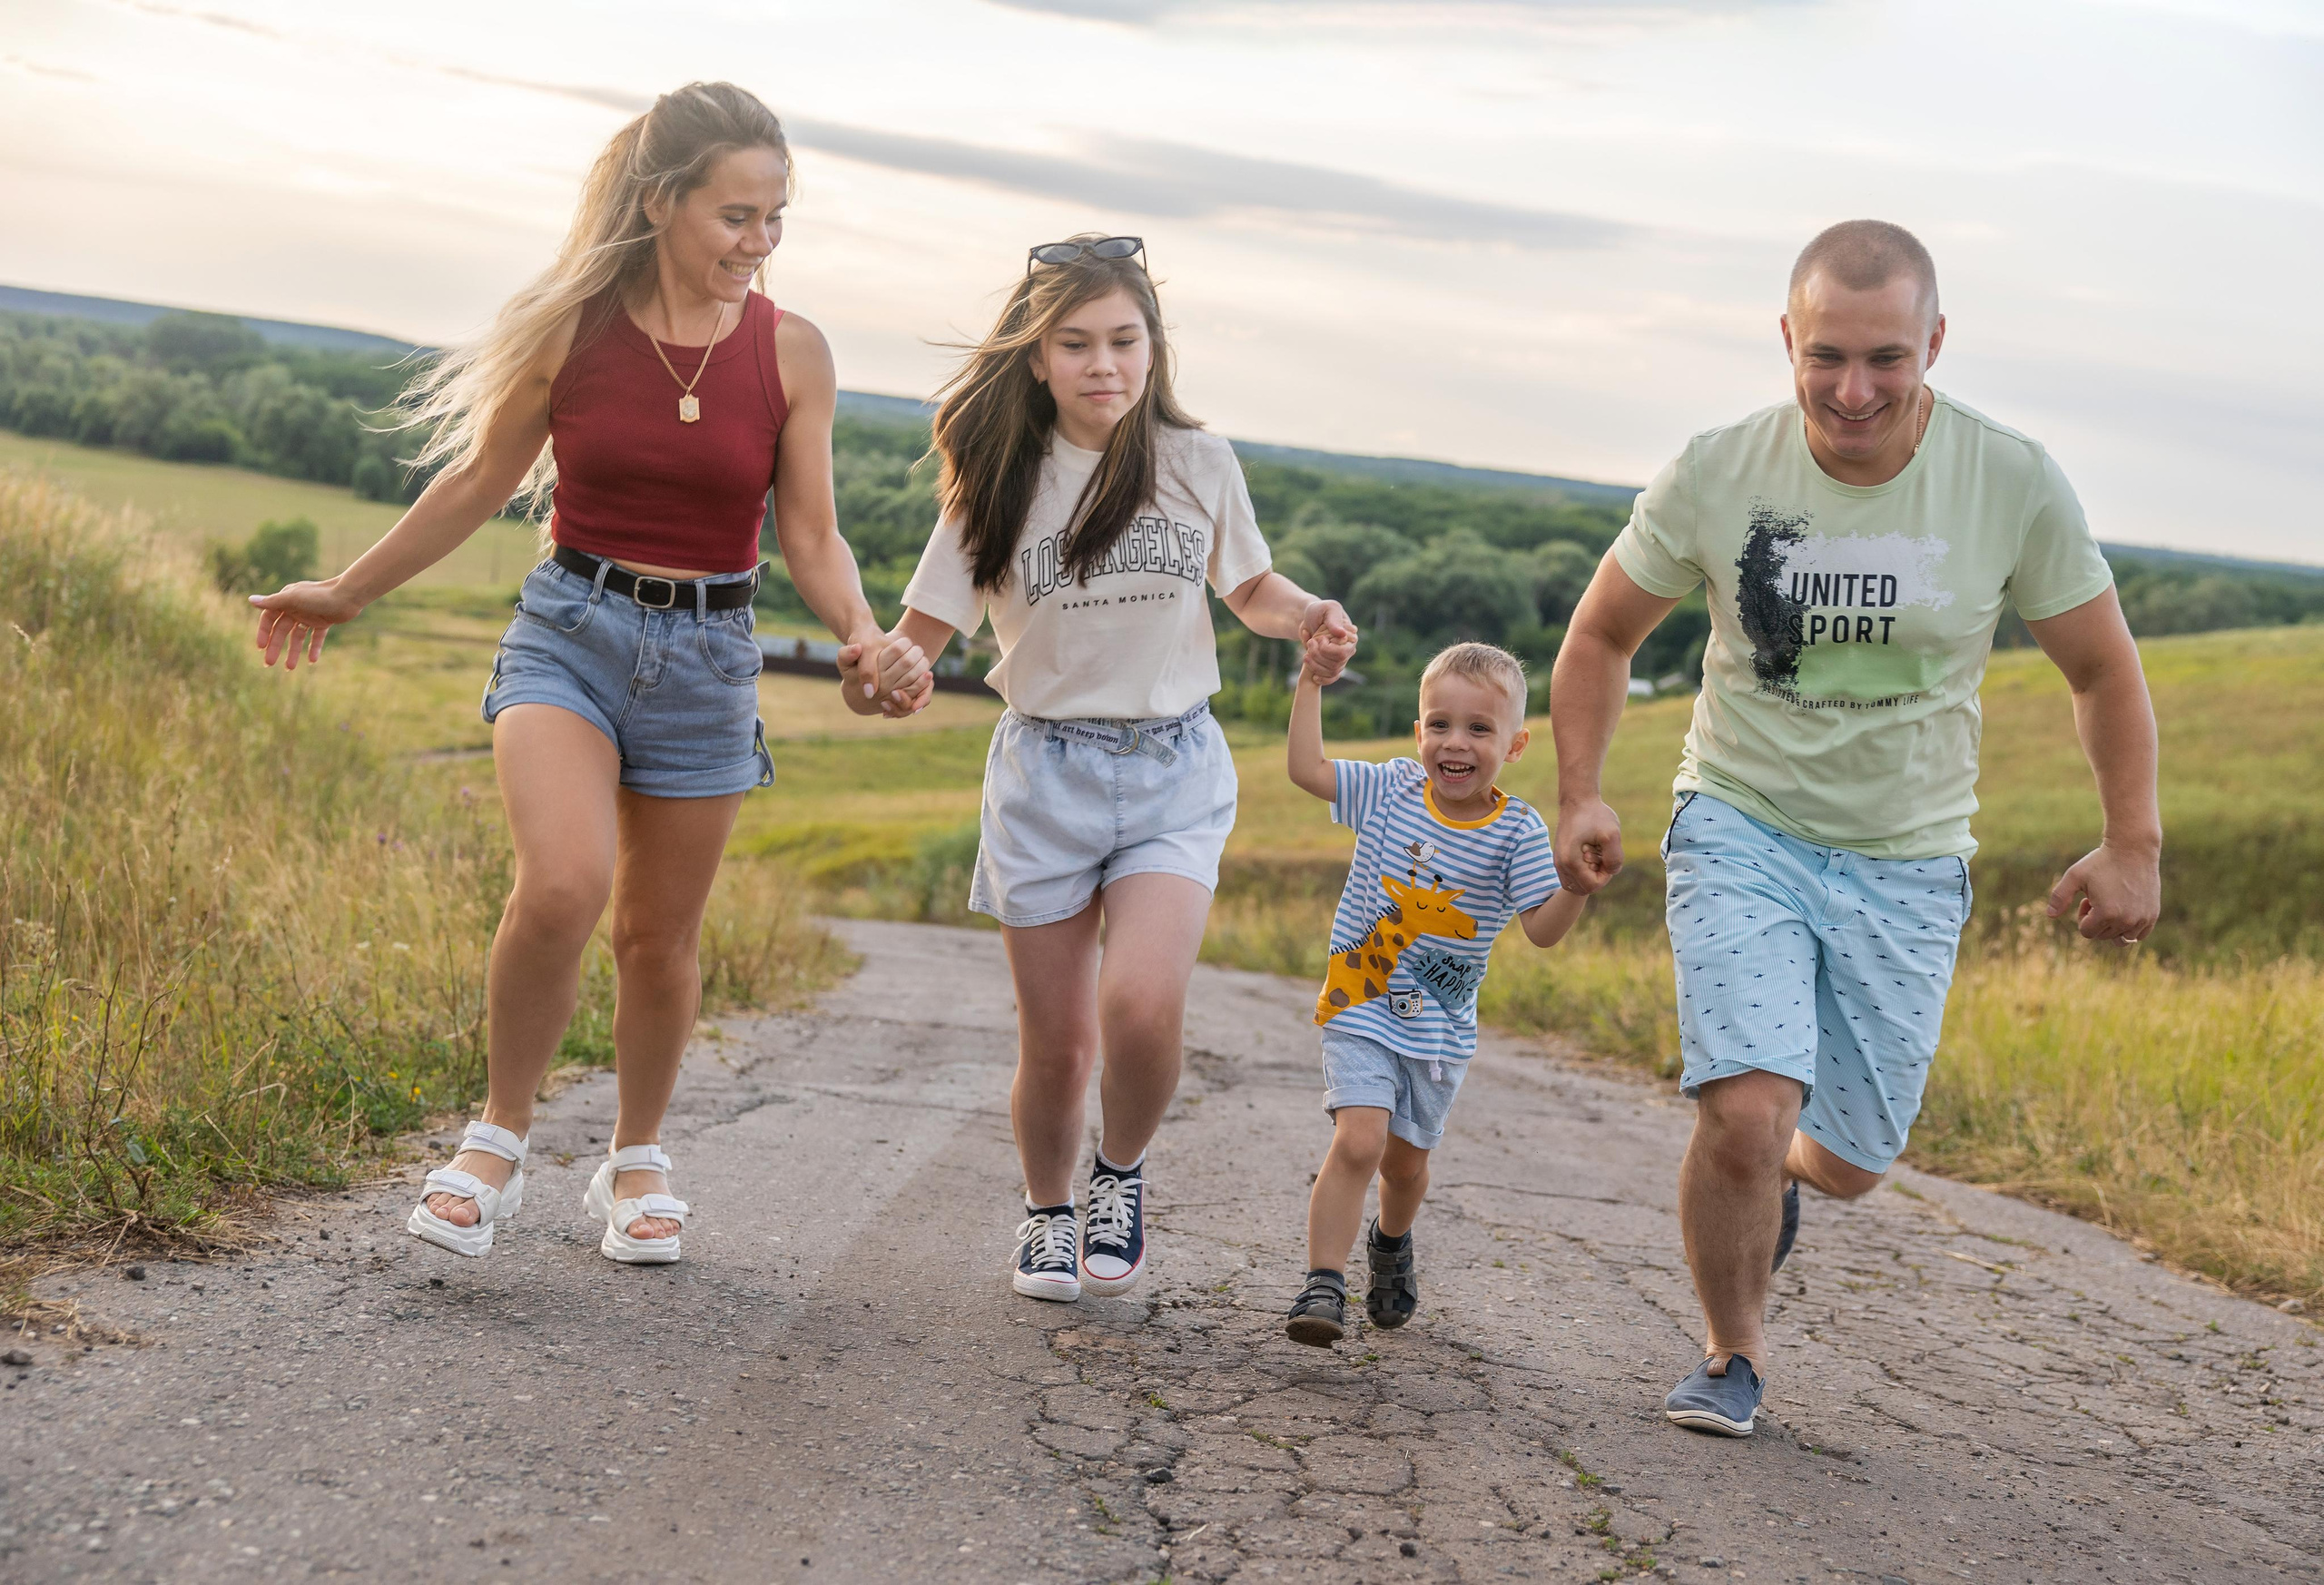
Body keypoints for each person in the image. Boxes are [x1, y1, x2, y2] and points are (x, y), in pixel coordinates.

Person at [247, 83, 931, 1266]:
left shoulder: (793, 353)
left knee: (657, 939)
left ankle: (638, 1158)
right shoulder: (573, 327)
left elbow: (810, 536)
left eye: (775, 218)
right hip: (572, 627)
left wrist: (865, 636)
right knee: (563, 884)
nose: (757, 243)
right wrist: (347, 590)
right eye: (735, 215)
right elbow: (474, 481)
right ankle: (497, 1139)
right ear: (662, 202)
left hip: (713, 656)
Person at [1550, 220, 2162, 1436]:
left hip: (1909, 857)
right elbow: (1601, 635)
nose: (1854, 389)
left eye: (1887, 358)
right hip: (1743, 817)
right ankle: (1734, 1353)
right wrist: (1581, 791)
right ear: (1787, 336)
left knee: (1850, 1155)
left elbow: (2102, 670)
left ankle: (1783, 1172)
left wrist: (2132, 839)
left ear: (1934, 342)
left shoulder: (2011, 479)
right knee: (1744, 1102)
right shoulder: (1722, 470)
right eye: (1826, 354)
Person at [887, 234, 1358, 1303]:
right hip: (1044, 774)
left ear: (1154, 349)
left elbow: (1251, 590)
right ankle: (1048, 1210)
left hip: (1171, 770)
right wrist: (891, 667)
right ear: (1038, 358)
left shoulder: (1197, 463)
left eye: (1124, 340)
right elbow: (925, 630)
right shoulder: (998, 479)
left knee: (1141, 1006)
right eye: (1077, 343)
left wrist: (1310, 619)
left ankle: (1120, 1174)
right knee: (1055, 1046)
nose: (1104, 364)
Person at [1281, 643, 1587, 1346]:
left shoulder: (1518, 831)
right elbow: (1306, 769)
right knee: (1358, 1139)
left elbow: (1541, 929)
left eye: (1479, 729)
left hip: (1437, 1033)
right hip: (1361, 1006)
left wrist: (1575, 885)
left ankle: (1391, 1241)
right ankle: (1323, 1283)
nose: (1456, 742)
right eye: (1440, 724)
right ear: (1419, 732)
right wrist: (1310, 682)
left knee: (1405, 1164)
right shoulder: (1389, 790)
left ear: (1515, 745)